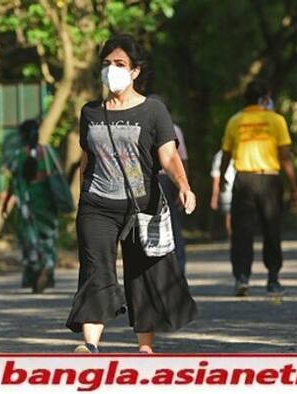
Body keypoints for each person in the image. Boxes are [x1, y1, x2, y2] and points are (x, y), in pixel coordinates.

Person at [66, 34, 197, 354]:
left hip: (142, 205)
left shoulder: (153, 110)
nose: (112, 70)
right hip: (97, 205)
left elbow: (168, 155)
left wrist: (184, 185)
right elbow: (86, 159)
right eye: (107, 64)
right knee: (96, 268)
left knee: (144, 273)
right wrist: (82, 200)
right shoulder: (90, 112)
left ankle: (144, 346)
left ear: (135, 71)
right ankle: (91, 344)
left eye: (120, 64)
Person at [219, 80, 297, 297]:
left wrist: (223, 179)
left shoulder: (235, 121)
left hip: (243, 180)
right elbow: (285, 157)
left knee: (241, 231)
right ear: (265, 98)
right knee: (271, 229)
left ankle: (242, 278)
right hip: (269, 181)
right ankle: (273, 279)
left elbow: (225, 153)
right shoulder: (276, 120)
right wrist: (294, 189)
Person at [1, 119, 67, 294]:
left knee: (29, 238)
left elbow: (14, 183)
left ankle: (35, 267)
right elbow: (58, 176)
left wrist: (6, 203)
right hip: (47, 202)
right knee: (49, 237)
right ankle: (48, 265)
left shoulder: (18, 155)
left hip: (28, 203)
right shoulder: (48, 152)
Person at [150, 94, 189, 274]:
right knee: (172, 223)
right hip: (166, 179)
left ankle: (169, 267)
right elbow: (181, 160)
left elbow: (178, 159)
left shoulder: (141, 126)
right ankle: (177, 267)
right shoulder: (174, 129)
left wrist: (183, 187)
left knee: (152, 223)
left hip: (159, 179)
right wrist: (183, 185)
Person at [210, 149, 236, 237]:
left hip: (227, 188)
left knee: (229, 214)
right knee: (231, 214)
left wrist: (214, 197)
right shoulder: (220, 156)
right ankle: (233, 236)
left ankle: (232, 236)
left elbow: (216, 178)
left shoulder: (219, 156)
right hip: (229, 189)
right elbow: (216, 177)